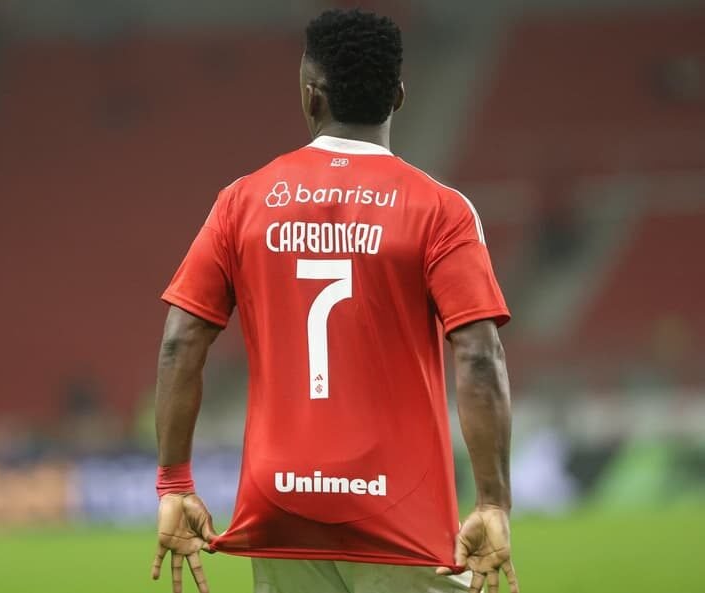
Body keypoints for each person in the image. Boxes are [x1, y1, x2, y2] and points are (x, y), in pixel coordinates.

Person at [151, 8, 518, 593]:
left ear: (309, 96)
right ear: (398, 96)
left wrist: (174, 483)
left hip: (284, 508)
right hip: (401, 515)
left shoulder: (242, 202)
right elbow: (478, 356)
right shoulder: (441, 211)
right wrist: (494, 501)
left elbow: (179, 344)